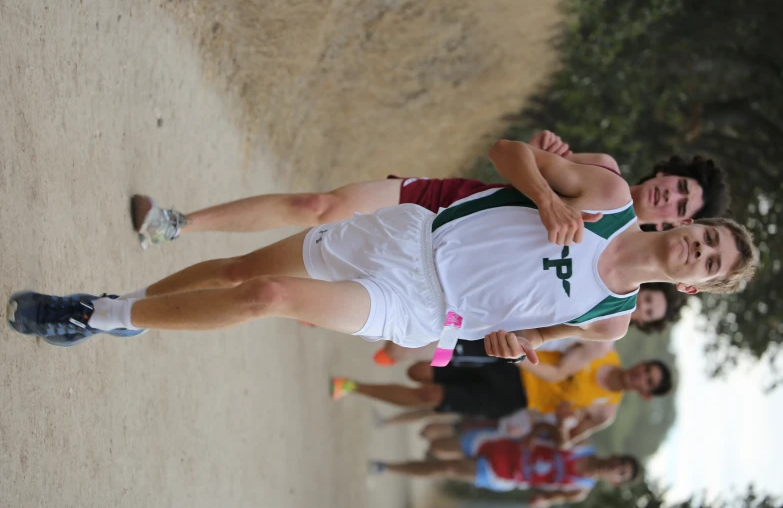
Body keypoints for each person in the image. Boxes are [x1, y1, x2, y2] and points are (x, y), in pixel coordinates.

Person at [8, 139, 755, 357]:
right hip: (411, 234)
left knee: (266, 300)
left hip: (419, 304)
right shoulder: (608, 199)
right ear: (685, 227)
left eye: (713, 264)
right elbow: (504, 150)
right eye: (708, 238)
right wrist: (549, 197)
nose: (702, 250)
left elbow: (528, 340)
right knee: (241, 272)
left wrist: (507, 347)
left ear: (694, 288)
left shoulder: (612, 322)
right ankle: (135, 306)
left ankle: (95, 315)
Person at [131, 130, 730, 248]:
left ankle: (146, 310)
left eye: (681, 207)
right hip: (447, 203)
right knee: (320, 207)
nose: (670, 198)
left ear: (675, 225)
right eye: (677, 186)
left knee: (280, 281)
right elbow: (513, 157)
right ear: (664, 172)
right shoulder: (606, 171)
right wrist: (547, 183)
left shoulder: (618, 279)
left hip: (435, 280)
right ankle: (176, 224)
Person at [331, 351, 672, 445]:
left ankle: (352, 386)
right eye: (647, 370)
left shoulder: (605, 411)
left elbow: (564, 442)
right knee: (418, 371)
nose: (642, 375)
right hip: (510, 363)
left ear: (643, 394)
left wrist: (564, 423)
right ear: (641, 364)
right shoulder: (603, 351)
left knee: (428, 394)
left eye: (648, 382)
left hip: (511, 399)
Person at [372, 280, 688, 367]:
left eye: (648, 313)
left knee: (424, 346)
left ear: (644, 324)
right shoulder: (603, 282)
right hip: (502, 299)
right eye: (647, 300)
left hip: (507, 339)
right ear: (645, 288)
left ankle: (383, 346)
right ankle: (368, 314)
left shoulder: (605, 341)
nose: (641, 308)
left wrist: (524, 354)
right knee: (425, 308)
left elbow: (562, 366)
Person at [369, 422, 640, 504]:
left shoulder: (579, 489)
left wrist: (541, 502)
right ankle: (429, 449)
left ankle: (386, 467)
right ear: (615, 456)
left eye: (620, 474)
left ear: (615, 481)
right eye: (620, 464)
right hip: (500, 445)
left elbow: (548, 498)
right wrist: (533, 435)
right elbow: (545, 425)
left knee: (446, 468)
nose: (614, 469)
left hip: (503, 473)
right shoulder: (582, 445)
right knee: (437, 447)